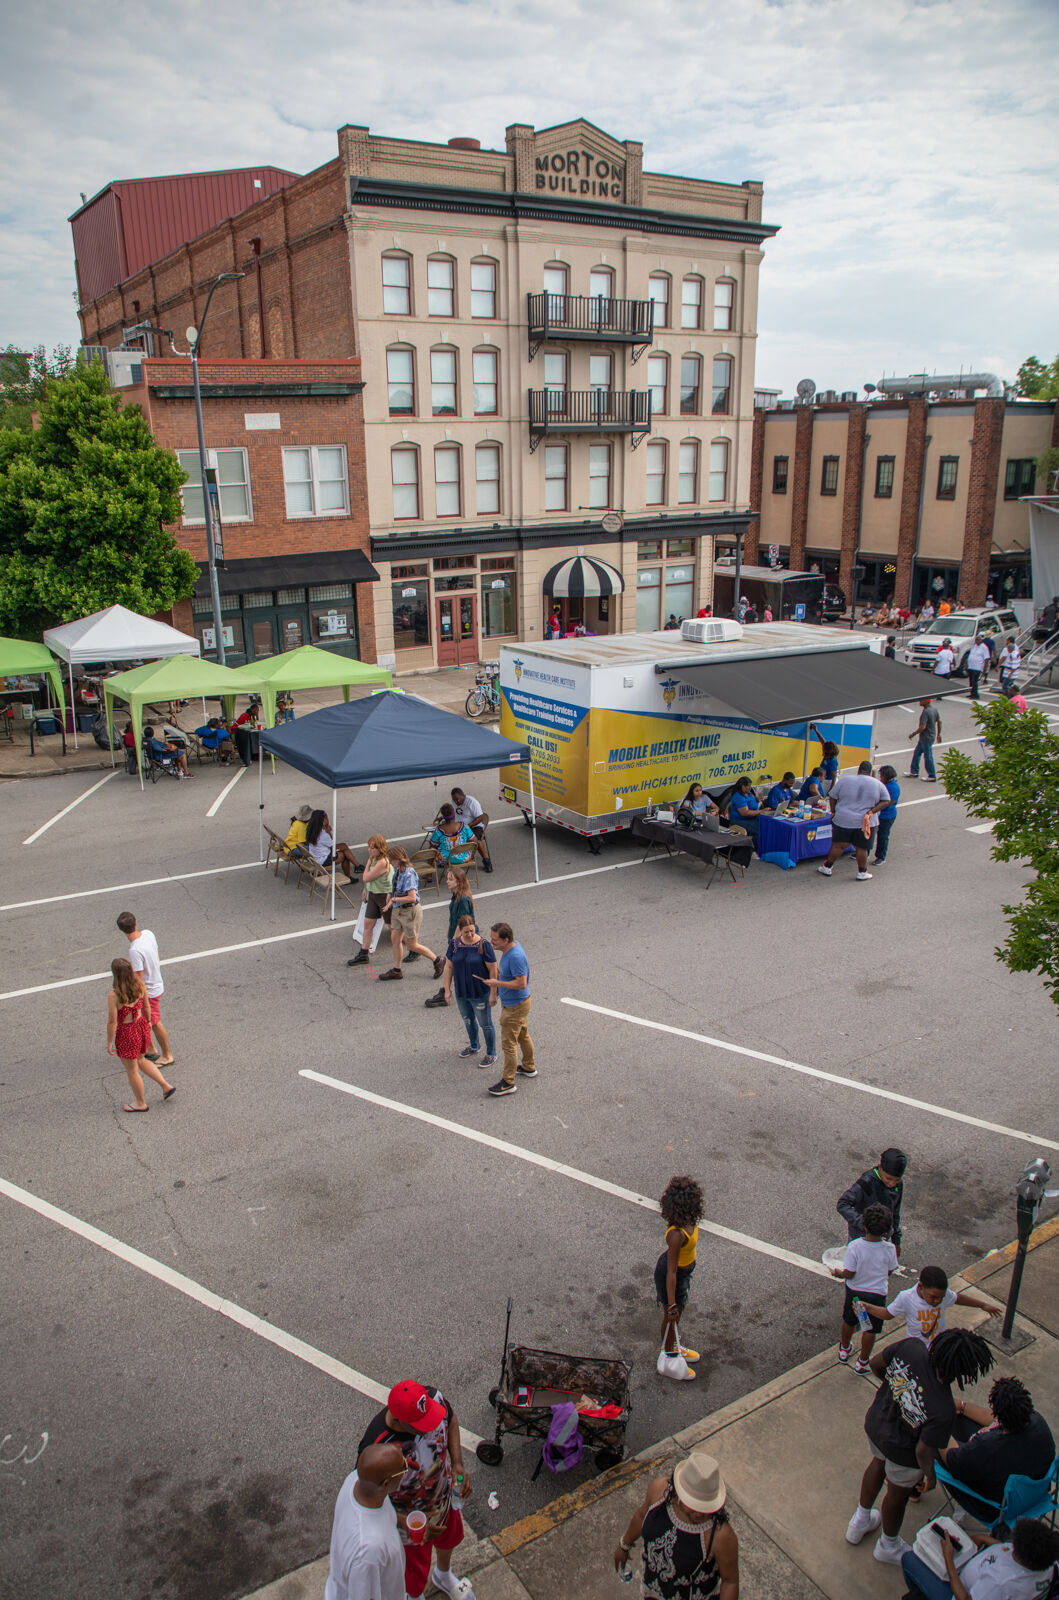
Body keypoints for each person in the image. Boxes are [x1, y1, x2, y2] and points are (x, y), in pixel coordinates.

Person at [845, 1327, 996, 1565]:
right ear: (963, 1372)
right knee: (897, 1494)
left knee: (877, 1463)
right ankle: (888, 1544)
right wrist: (930, 1477)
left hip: (876, 1424)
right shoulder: (944, 1409)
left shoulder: (911, 1347)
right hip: (903, 1451)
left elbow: (875, 1364)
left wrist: (899, 1391)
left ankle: (860, 1521)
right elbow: (923, 1451)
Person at [356, 1380, 475, 1600]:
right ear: (399, 1420)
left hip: (443, 1500)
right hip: (410, 1523)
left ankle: (443, 1574)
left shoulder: (433, 1399)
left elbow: (451, 1419)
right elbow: (366, 1502)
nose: (431, 1426)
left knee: (448, 1540)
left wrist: (457, 1463)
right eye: (421, 1425)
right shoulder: (377, 1446)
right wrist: (404, 1522)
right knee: (412, 1575)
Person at [614, 1449, 739, 1599]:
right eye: (693, 1505)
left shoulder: (720, 1536)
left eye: (705, 1507)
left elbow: (730, 1581)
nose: (699, 1513)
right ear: (679, 1492)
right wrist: (624, 1545)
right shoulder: (658, 1492)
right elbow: (641, 1516)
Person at [937, 1376, 1056, 1523]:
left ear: (998, 1415)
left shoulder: (988, 1446)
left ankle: (915, 1485)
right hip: (1034, 1495)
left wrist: (936, 1420)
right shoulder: (1037, 1422)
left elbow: (952, 1459)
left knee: (931, 1441)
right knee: (959, 1420)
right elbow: (992, 1420)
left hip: (996, 1509)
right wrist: (962, 1407)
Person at [324, 1443, 409, 1600]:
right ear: (385, 1484)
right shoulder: (368, 1551)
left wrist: (401, 1521)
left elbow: (380, 1514)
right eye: (403, 1468)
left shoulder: (356, 1480)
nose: (406, 1466)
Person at [902, 1518, 1059, 1600]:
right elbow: (1004, 1547)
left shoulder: (1000, 1584)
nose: (1011, 1545)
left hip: (957, 1592)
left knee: (909, 1559)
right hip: (972, 1570)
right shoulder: (1046, 1561)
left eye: (1015, 1546)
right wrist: (982, 1539)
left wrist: (949, 1559)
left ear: (1021, 1555)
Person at [832, 1202, 898, 1373]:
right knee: (870, 1328)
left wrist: (840, 1274)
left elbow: (850, 1273)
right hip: (876, 1295)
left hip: (855, 1292)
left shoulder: (855, 1246)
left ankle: (844, 1350)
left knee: (849, 1320)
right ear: (887, 1230)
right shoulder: (889, 1249)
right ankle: (862, 1361)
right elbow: (890, 1269)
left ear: (864, 1225)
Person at [107, 957, 174, 1112]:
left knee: (132, 1070)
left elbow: (112, 1022)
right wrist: (148, 1022)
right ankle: (165, 1085)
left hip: (127, 1032)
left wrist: (110, 1042)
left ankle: (140, 1102)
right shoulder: (139, 985)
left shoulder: (114, 996)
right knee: (141, 1060)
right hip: (141, 1026)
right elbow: (147, 1006)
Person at [875, 1265, 1001, 1347]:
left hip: (938, 1345)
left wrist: (983, 1305)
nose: (938, 1301)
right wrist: (868, 1307)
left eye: (941, 1297)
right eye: (933, 1297)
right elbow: (887, 1314)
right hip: (916, 1348)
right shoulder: (906, 1297)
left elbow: (958, 1298)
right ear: (921, 1287)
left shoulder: (943, 1295)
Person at [655, 1175, 704, 1381]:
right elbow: (671, 1272)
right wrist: (672, 1302)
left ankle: (674, 1345)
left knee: (678, 1313)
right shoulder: (676, 1234)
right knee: (671, 1315)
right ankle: (669, 1355)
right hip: (673, 1275)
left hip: (684, 1273)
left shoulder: (689, 1220)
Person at [477, 922, 533, 1098]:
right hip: (519, 1003)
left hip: (515, 1005)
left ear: (506, 939)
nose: (491, 942)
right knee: (523, 1034)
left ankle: (508, 1082)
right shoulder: (511, 950)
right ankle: (529, 1066)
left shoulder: (515, 956)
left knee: (509, 1045)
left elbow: (521, 983)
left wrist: (497, 983)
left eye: (495, 939)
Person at [117, 911, 174, 1068]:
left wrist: (135, 997)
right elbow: (157, 952)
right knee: (143, 1020)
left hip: (149, 990)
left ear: (121, 930)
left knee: (154, 1021)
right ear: (135, 923)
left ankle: (167, 1054)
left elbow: (139, 978)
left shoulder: (134, 950)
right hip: (157, 981)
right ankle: (150, 1048)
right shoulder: (148, 934)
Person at [379, 847, 445, 983]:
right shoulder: (398, 871)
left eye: (391, 860)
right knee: (395, 939)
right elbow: (395, 888)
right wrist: (389, 896)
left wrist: (394, 899)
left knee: (412, 945)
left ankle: (437, 960)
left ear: (398, 859)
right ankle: (396, 970)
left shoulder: (409, 874)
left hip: (409, 911)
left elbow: (412, 897)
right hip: (398, 910)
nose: (390, 863)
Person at [817, 760, 891, 881]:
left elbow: (833, 796)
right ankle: (862, 872)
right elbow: (886, 801)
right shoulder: (877, 784)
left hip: (843, 819)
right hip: (865, 822)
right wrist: (871, 811)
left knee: (838, 845)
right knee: (861, 848)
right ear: (870, 771)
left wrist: (834, 811)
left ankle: (827, 867)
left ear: (858, 770)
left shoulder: (845, 780)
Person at [444, 915, 498, 1065]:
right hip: (462, 992)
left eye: (472, 931)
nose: (469, 934)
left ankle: (491, 1052)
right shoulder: (454, 944)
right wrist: (447, 989)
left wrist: (493, 993)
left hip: (479, 993)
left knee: (485, 1023)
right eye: (466, 932)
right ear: (460, 931)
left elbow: (493, 969)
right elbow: (449, 967)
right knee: (468, 1020)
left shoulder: (483, 945)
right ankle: (474, 1045)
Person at [838, 1147, 907, 1254]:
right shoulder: (866, 1182)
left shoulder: (898, 1185)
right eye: (888, 1179)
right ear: (880, 1168)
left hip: (882, 1236)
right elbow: (843, 1204)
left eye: (896, 1180)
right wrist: (865, 1224)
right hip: (861, 1236)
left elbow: (895, 1212)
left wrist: (896, 1240)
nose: (892, 1184)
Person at [424, 867, 475, 1005]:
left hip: (463, 938)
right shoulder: (457, 895)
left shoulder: (463, 899)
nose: (447, 881)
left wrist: (454, 940)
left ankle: (445, 992)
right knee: (464, 965)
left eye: (451, 879)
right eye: (447, 878)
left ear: (459, 881)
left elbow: (463, 922)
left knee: (451, 965)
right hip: (459, 936)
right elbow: (454, 917)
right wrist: (449, 930)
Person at [347, 835, 394, 968]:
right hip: (374, 894)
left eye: (372, 848)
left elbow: (366, 877)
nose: (369, 850)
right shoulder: (374, 859)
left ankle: (412, 947)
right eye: (369, 847)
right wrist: (365, 890)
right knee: (368, 924)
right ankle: (364, 953)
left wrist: (367, 864)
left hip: (384, 896)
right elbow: (367, 880)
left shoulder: (382, 862)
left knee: (393, 927)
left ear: (380, 849)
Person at [304, 809, 361, 879]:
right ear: (323, 820)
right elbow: (333, 845)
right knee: (344, 852)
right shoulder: (323, 835)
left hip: (315, 857)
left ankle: (357, 866)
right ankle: (352, 873)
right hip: (322, 860)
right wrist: (328, 832)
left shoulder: (311, 830)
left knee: (344, 849)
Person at [450, 788, 493, 871]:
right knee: (446, 835)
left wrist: (468, 826)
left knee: (475, 840)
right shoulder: (454, 801)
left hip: (474, 826)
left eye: (457, 799)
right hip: (459, 826)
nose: (456, 802)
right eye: (454, 800)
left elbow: (480, 818)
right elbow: (453, 813)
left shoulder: (472, 802)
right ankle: (446, 858)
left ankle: (486, 860)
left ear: (463, 795)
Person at [430, 806, 476, 871]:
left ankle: (429, 874)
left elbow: (432, 844)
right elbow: (475, 841)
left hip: (445, 859)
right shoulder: (464, 826)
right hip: (464, 858)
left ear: (443, 817)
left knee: (432, 850)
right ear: (454, 814)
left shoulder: (439, 830)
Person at [908, 697, 942, 782]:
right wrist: (938, 734)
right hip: (930, 736)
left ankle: (932, 775)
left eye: (921, 700)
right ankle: (914, 771)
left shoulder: (926, 712)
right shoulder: (934, 709)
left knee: (928, 757)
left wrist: (913, 734)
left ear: (925, 702)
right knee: (917, 753)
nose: (919, 701)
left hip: (926, 738)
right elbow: (939, 721)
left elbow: (923, 727)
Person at [874, 765, 901, 864]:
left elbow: (889, 802)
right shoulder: (882, 783)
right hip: (878, 813)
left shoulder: (893, 788)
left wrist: (875, 808)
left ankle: (881, 856)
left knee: (883, 836)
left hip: (886, 816)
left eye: (882, 775)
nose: (880, 777)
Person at [727, 776, 761, 846]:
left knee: (765, 826)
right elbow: (745, 813)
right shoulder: (738, 797)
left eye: (750, 786)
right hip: (740, 821)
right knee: (760, 830)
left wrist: (757, 799)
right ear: (742, 786)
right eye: (748, 786)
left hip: (752, 818)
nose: (750, 788)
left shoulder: (749, 794)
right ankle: (751, 849)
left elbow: (752, 801)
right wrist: (761, 811)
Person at [810, 724, 841, 791]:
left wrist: (830, 790)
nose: (823, 753)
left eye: (825, 752)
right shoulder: (828, 752)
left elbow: (834, 776)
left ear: (829, 753)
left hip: (828, 782)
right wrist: (816, 730)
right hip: (822, 779)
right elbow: (822, 741)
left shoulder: (833, 761)